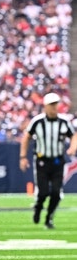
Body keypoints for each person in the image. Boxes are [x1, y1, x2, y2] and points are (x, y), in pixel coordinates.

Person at [20, 92, 77, 229]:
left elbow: (74, 135)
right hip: (42, 162)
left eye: (56, 104)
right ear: (45, 106)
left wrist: (72, 148)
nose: (54, 107)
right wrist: (22, 157)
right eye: (51, 105)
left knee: (57, 193)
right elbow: (26, 137)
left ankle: (49, 217)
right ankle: (38, 207)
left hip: (58, 161)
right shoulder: (38, 121)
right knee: (43, 192)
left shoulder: (64, 121)